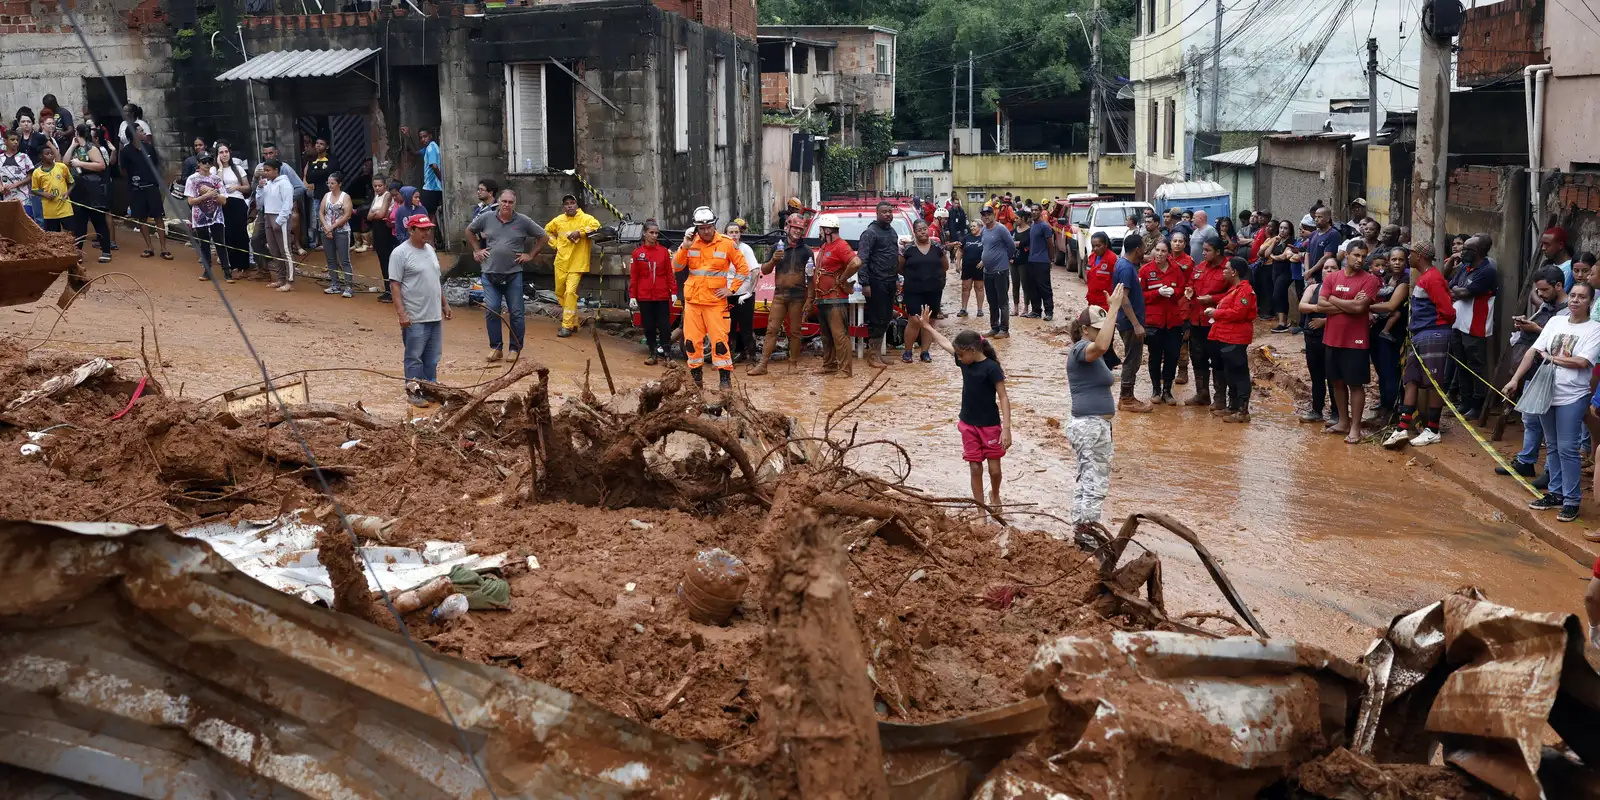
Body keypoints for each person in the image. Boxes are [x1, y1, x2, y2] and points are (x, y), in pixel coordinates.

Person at [1503, 281, 1600, 524]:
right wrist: (1515, 379)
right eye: (1573, 295)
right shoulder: (1556, 322)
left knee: (1567, 448)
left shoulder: (1595, 329)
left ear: (1591, 302)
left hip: (1573, 395)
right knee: (1553, 445)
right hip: (1546, 392)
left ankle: (1572, 500)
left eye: (1582, 297)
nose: (1575, 300)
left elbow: (1582, 362)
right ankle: (1556, 493)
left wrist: (1551, 358)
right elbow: (1533, 351)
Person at [918, 310, 1011, 518]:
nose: (958, 358)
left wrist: (1006, 429)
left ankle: (995, 494)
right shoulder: (965, 361)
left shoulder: (992, 368)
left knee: (995, 470)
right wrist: (927, 326)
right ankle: (981, 511)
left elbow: (1004, 397)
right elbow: (945, 343)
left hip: (990, 425)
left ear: (971, 350)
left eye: (960, 355)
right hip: (968, 424)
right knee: (975, 469)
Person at [1484, 265, 1569, 470]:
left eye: (1544, 290)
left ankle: (1550, 470)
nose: (1540, 294)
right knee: (1529, 417)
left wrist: (1536, 329)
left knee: (1552, 428)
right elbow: (1535, 344)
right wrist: (1526, 325)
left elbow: (1562, 344)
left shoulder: (1567, 312)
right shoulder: (1546, 306)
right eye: (1538, 290)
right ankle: (1526, 461)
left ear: (1558, 286)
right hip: (1534, 369)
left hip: (1553, 374)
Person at [1066, 287, 1127, 550]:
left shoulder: (1094, 354)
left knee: (1088, 479)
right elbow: (1102, 344)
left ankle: (1082, 531)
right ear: (1084, 330)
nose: (1104, 333)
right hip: (1089, 425)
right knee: (1095, 482)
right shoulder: (1082, 349)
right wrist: (1114, 308)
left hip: (1095, 425)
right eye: (1098, 328)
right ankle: (1087, 536)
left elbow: (1103, 343)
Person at [1384, 244, 1454, 448]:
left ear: (1420, 256)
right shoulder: (1425, 277)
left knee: (1433, 382)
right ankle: (1402, 428)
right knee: (1411, 380)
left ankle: (1433, 429)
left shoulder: (1432, 278)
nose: (1408, 257)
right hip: (1420, 334)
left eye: (1411, 254)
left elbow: (1448, 311)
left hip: (1433, 333)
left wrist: (1435, 326)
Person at [674, 206, 749, 388]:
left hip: (715, 302)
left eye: (709, 227)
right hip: (693, 302)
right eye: (702, 228)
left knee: (720, 343)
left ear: (714, 225)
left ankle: (725, 381)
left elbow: (743, 268)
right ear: (696, 228)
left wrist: (731, 289)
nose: (706, 231)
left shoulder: (726, 243)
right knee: (691, 343)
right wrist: (684, 247)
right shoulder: (690, 242)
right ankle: (696, 380)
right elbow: (676, 266)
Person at [468, 188, 546, 360]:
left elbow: (543, 236)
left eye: (510, 202)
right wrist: (477, 250)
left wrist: (530, 255)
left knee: (516, 313)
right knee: (492, 310)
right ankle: (496, 348)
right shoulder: (487, 217)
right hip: (489, 273)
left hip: (513, 274)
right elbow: (469, 231)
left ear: (514, 204)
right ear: (499, 201)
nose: (507, 205)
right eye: (504, 201)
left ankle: (515, 349)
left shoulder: (523, 221)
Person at [1318, 240, 1381, 443]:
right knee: (1336, 382)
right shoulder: (1332, 277)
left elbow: (1359, 308)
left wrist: (1334, 299)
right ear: (1346, 255)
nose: (1360, 260)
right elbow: (1320, 305)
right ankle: (1343, 422)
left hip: (1356, 341)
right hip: (1331, 338)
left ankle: (1355, 428)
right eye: (1356, 255)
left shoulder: (1370, 280)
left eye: (1363, 256)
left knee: (1355, 384)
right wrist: (1349, 303)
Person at [389, 213, 452, 407]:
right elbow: (394, 285)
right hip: (414, 315)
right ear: (411, 230)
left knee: (432, 357)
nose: (427, 233)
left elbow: (436, 280)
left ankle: (430, 389)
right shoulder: (400, 253)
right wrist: (401, 313)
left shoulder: (430, 250)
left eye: (429, 229)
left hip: (434, 314)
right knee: (414, 357)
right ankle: (414, 391)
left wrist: (444, 303)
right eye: (423, 229)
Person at [1448, 233, 1499, 420]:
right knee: (1461, 364)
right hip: (1458, 322)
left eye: (1466, 249)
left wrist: (1456, 291)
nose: (1461, 252)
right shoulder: (1465, 267)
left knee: (1475, 366)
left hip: (1475, 325)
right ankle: (1465, 401)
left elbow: (1463, 293)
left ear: (1476, 252)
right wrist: (1456, 290)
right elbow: (1451, 286)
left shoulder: (1487, 271)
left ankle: (1478, 405)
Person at [750, 216, 809, 376]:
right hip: (780, 295)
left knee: (795, 331)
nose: (797, 231)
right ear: (787, 228)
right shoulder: (777, 247)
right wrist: (774, 260)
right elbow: (765, 270)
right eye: (795, 228)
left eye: (800, 229)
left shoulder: (806, 251)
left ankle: (793, 364)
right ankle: (763, 364)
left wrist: (810, 298)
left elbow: (811, 275)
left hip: (798, 297)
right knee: (772, 329)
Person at [1208, 257, 1258, 422]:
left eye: (1226, 268)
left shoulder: (1245, 291)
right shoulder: (1234, 289)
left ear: (1234, 272)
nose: (1223, 271)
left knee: (1239, 373)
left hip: (1236, 337)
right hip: (1225, 336)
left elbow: (1238, 313)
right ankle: (1233, 407)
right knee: (1230, 372)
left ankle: (1243, 411)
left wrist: (1216, 313)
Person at [811, 213, 861, 377]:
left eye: (821, 229)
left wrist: (843, 277)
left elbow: (856, 262)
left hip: (835, 298)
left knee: (839, 335)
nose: (820, 232)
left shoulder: (840, 246)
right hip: (823, 298)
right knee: (826, 336)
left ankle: (845, 370)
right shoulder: (825, 246)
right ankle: (829, 365)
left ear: (827, 230)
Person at [1139, 239, 1187, 406]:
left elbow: (1182, 289)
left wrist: (1175, 292)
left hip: (1173, 321)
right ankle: (1156, 389)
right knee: (1155, 356)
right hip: (1154, 322)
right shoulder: (1145, 270)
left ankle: (1167, 389)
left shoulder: (1176, 269)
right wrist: (1157, 293)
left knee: (1172, 356)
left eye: (1163, 251)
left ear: (1168, 253)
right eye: (1157, 250)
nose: (1159, 254)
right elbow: (1140, 295)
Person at [546, 193, 601, 337]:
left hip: (577, 264)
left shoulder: (585, 218)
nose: (569, 206)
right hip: (561, 262)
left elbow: (596, 226)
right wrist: (555, 244)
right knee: (560, 293)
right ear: (563, 207)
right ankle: (574, 322)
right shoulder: (559, 220)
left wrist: (580, 233)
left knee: (570, 292)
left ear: (577, 205)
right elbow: (547, 231)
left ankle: (567, 326)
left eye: (572, 203)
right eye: (566, 204)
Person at [1368, 245, 1412, 420]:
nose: (1397, 263)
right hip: (1378, 328)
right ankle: (1384, 403)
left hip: (1394, 332)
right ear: (1388, 262)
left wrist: (1364, 307)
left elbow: (1391, 306)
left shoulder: (1405, 281)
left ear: (1406, 262)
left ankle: (1393, 409)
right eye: (1394, 259)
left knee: (1390, 370)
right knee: (1380, 368)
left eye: (1401, 260)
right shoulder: (1385, 277)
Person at [1183, 237, 1229, 408]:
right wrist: (1189, 289)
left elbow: (1234, 292)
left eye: (1207, 250)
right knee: (1197, 358)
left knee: (1217, 360)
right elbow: (1190, 283)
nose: (1203, 253)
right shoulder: (1200, 267)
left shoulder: (1228, 269)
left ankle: (1220, 399)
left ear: (1218, 251)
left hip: (1216, 323)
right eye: (1203, 250)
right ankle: (1202, 394)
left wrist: (1212, 299)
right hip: (1197, 321)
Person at [854, 202, 901, 368]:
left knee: (886, 317)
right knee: (876, 318)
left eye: (890, 212)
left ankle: (879, 354)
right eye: (884, 212)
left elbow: (894, 257)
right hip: (875, 281)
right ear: (877, 213)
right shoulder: (870, 233)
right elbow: (862, 259)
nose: (888, 214)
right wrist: (865, 283)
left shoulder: (892, 232)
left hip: (890, 280)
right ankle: (872, 355)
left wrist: (896, 278)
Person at [120, 105, 170, 260]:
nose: (144, 133)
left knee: (158, 217)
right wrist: (134, 181)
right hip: (137, 189)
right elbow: (124, 170)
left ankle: (164, 248)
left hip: (151, 187)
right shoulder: (126, 151)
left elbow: (155, 165)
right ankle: (149, 247)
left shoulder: (149, 149)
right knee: (142, 219)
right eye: (141, 131)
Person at [899, 219, 950, 363]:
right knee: (914, 319)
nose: (923, 232)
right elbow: (900, 268)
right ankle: (908, 351)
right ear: (914, 232)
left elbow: (945, 266)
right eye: (919, 230)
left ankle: (925, 352)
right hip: (913, 290)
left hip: (934, 289)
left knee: (929, 320)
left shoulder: (937, 247)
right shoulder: (907, 249)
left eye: (925, 229)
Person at [1113, 233, 1152, 412]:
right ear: (1137, 249)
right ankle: (1127, 399)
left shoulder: (1122, 264)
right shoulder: (1127, 269)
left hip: (1126, 320)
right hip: (1129, 323)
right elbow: (1124, 298)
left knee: (1132, 358)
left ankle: (1127, 397)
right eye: (1143, 248)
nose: (1144, 251)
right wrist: (1136, 324)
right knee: (1132, 359)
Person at [629, 220, 678, 365]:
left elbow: (669, 274)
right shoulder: (637, 253)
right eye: (651, 232)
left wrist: (673, 291)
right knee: (649, 326)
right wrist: (632, 296)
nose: (654, 235)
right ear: (645, 233)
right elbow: (634, 276)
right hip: (644, 296)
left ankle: (667, 355)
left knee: (665, 326)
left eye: (656, 233)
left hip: (662, 295)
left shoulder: (663, 252)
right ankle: (652, 353)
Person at [1297, 258, 1335, 423]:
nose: (1329, 270)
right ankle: (1316, 410)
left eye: (1333, 267)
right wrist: (1320, 308)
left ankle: (1336, 413)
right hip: (1312, 338)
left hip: (1333, 338)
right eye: (1326, 268)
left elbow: (1345, 311)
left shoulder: (1341, 290)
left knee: (1334, 377)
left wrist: (1324, 321)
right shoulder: (1313, 288)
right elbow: (1302, 306)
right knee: (1316, 376)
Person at [183, 153, 230, 282]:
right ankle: (207, 271)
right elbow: (191, 201)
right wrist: (205, 196)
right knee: (204, 244)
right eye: (204, 161)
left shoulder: (216, 179)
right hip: (200, 217)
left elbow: (224, 200)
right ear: (198, 163)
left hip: (216, 216)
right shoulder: (192, 179)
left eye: (209, 161)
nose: (207, 164)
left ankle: (227, 271)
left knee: (220, 243)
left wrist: (211, 193)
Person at [401, 126, 444, 246]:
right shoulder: (428, 148)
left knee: (428, 216)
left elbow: (434, 166)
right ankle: (433, 242)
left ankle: (431, 243)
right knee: (431, 215)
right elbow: (415, 152)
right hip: (431, 187)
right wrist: (408, 136)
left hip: (432, 188)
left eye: (425, 136)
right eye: (421, 138)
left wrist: (442, 181)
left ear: (430, 135)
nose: (423, 139)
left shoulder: (431, 148)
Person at [257, 159, 295, 291]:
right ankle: (280, 278)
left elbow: (287, 205)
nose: (265, 173)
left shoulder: (285, 184)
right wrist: (259, 188)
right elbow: (260, 202)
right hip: (268, 216)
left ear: (276, 170)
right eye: (264, 170)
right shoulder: (266, 184)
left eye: (268, 170)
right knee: (274, 250)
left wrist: (279, 221)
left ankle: (290, 281)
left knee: (285, 250)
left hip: (280, 218)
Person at [724, 222, 760, 363]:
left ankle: (752, 358)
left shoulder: (745, 249)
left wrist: (750, 292)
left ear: (740, 234)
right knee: (728, 328)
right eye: (731, 232)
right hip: (727, 295)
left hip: (744, 295)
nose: (734, 235)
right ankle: (728, 359)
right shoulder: (722, 249)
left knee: (746, 329)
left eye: (736, 232)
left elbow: (755, 271)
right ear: (725, 234)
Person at [979, 205, 1016, 338]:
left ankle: (1004, 329)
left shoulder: (1001, 229)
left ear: (993, 215)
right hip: (987, 271)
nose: (986, 217)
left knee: (1002, 301)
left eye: (988, 214)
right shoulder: (983, 231)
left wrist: (1005, 258)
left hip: (1000, 271)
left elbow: (1011, 246)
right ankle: (994, 327)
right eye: (984, 215)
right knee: (991, 301)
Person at [215, 142, 252, 276]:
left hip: (238, 202)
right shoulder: (214, 170)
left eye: (226, 152)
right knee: (228, 234)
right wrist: (220, 167)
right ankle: (233, 265)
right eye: (221, 152)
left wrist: (237, 187)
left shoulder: (238, 168)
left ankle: (244, 266)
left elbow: (248, 187)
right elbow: (217, 186)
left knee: (241, 234)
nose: (224, 155)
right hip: (224, 203)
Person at [319, 172, 355, 296]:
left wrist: (331, 227)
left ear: (339, 184)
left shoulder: (345, 197)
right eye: (328, 183)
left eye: (332, 183)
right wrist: (326, 226)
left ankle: (348, 287)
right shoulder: (326, 196)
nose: (330, 185)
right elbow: (321, 212)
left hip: (342, 231)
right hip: (327, 229)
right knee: (330, 259)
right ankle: (335, 284)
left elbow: (347, 215)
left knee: (345, 260)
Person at [1261, 221, 1299, 333]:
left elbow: (1283, 257)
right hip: (1275, 271)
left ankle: (1283, 323)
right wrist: (1274, 243)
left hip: (1286, 271)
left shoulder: (1291, 242)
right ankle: (1282, 322)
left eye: (1285, 228)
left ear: (1290, 230)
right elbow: (1266, 254)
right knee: (1280, 295)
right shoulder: (1277, 241)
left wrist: (1273, 256)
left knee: (1278, 294)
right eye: (1281, 228)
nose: (1282, 230)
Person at [29, 144, 73, 239]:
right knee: (53, 237)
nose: (50, 155)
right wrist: (44, 194)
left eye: (52, 153)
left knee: (70, 235)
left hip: (65, 209)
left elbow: (72, 183)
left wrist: (67, 193)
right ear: (41, 156)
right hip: (49, 211)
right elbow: (34, 190)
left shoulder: (62, 167)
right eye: (47, 154)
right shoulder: (37, 172)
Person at [369, 179, 400, 303]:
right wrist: (375, 214)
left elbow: (381, 215)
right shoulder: (376, 197)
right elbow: (368, 216)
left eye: (380, 185)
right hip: (377, 230)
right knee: (382, 260)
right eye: (375, 186)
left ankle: (391, 291)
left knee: (387, 260)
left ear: (385, 186)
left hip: (385, 230)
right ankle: (388, 289)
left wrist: (375, 214)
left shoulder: (387, 196)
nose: (377, 188)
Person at [1023, 208, 1056, 320]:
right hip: (1031, 260)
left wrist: (1050, 260)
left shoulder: (1045, 226)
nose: (1034, 212)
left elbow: (1050, 245)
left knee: (1044, 287)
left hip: (1042, 261)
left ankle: (1049, 312)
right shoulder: (1032, 225)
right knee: (1032, 286)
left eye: (1036, 210)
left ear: (1040, 212)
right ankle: (1036, 311)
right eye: (1032, 210)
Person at [303, 136, 335, 251]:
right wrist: (322, 173)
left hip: (331, 195)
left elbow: (332, 173)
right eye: (317, 143)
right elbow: (309, 178)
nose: (318, 145)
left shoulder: (331, 159)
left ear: (327, 146)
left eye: (321, 144)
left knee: (333, 217)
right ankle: (324, 242)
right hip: (317, 194)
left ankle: (335, 241)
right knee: (319, 219)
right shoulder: (312, 161)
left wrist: (317, 173)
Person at [956, 221, 985, 318]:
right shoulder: (966, 238)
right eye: (971, 226)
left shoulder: (984, 238)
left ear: (980, 227)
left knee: (979, 288)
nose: (972, 228)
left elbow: (989, 251)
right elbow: (960, 250)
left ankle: (980, 310)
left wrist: (983, 261)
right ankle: (963, 309)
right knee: (965, 287)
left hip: (979, 267)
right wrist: (958, 263)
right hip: (967, 266)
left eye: (974, 226)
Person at [1084, 231, 1117, 310]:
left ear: (1105, 245)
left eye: (1098, 246)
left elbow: (1117, 282)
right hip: (1092, 300)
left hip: (1105, 303)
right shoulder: (1092, 257)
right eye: (1093, 246)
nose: (1095, 249)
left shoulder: (1112, 259)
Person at [0, 132, 33, 210]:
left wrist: (16, 184)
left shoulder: (24, 157)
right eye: (12, 139)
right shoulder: (0, 158)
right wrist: (0, 187)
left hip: (24, 198)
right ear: (5, 141)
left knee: (25, 217)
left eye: (17, 140)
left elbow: (30, 176)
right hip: (7, 198)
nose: (16, 142)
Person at [1540, 226, 1575, 291]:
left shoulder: (1571, 268)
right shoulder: (1546, 264)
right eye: (1543, 244)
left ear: (1560, 245)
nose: (1543, 248)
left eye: (1547, 244)